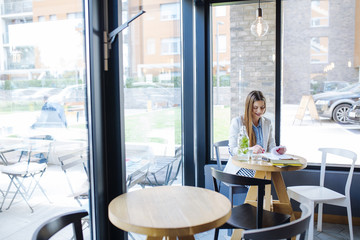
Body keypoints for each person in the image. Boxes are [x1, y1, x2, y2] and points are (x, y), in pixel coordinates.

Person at [224, 90, 286, 176]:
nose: (260, 111)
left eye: (262, 107)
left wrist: (277, 150)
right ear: (249, 107)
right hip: (240, 166)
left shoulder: (267, 123)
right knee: (257, 180)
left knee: (274, 176)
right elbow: (232, 150)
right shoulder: (237, 122)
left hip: (259, 165)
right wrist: (251, 149)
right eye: (255, 107)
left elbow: (271, 146)